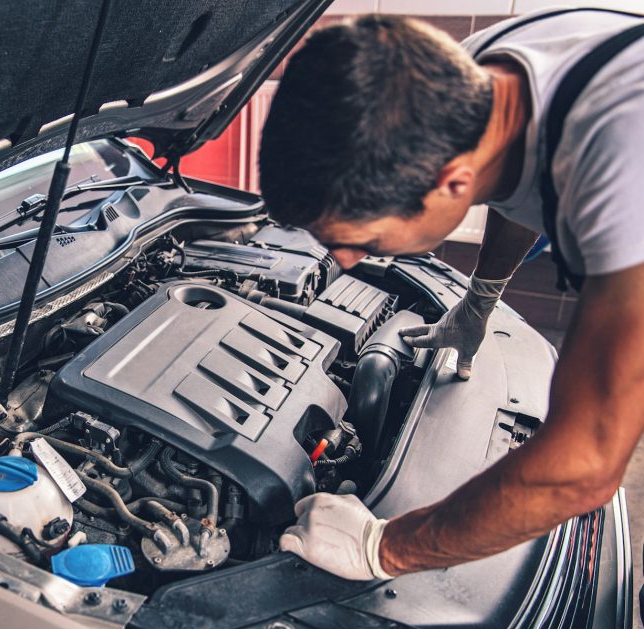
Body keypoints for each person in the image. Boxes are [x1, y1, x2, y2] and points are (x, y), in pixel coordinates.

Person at [258, 10, 644, 581]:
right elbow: (517, 180)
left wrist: (383, 548)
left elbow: (583, 464)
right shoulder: (480, 75)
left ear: (452, 185)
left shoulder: (624, 161)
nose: (345, 261)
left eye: (363, 239)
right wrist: (478, 300)